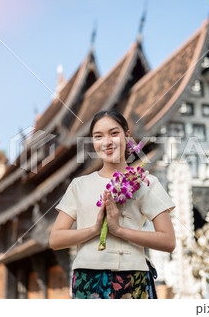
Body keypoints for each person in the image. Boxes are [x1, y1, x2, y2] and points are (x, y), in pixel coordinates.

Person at [49, 109, 176, 299]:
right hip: (88, 277)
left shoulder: (144, 181)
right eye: (98, 136)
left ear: (127, 136)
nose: (107, 142)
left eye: (114, 133)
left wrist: (119, 230)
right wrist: (94, 229)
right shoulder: (80, 185)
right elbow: (55, 239)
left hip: (133, 276)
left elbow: (168, 241)